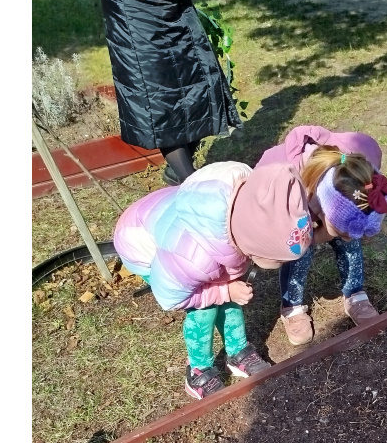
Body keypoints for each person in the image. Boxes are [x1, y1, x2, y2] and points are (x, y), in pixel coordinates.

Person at [112, 162, 315, 399]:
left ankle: (237, 351)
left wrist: (228, 289)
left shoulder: (246, 203)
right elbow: (172, 297)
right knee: (204, 311)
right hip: (142, 243)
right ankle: (198, 369)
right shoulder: (192, 257)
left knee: (229, 295)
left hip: (183, 224)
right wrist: (224, 291)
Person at [62, 0, 241, 184]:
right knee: (160, 97)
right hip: (136, 0)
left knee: (196, 83)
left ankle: (180, 173)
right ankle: (191, 183)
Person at [257, 126, 387, 345]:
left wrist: (344, 229)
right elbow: (278, 234)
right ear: (321, 210)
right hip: (286, 208)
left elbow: (365, 199)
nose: (349, 237)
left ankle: (355, 293)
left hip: (325, 198)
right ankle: (292, 306)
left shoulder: (362, 160)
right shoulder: (281, 181)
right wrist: (317, 235)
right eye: (341, 231)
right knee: (299, 248)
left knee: (349, 241)